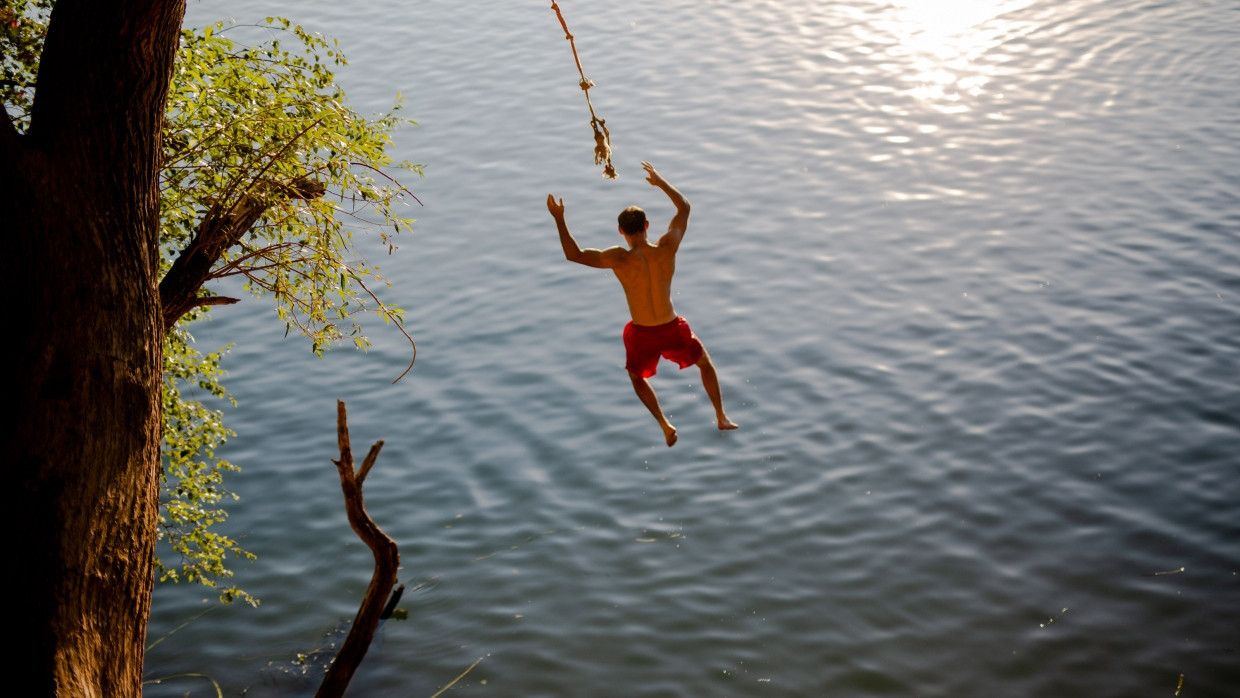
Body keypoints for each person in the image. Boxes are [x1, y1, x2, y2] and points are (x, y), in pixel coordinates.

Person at [547, 161, 738, 447]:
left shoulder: (618, 259)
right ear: (647, 226)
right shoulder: (667, 248)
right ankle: (721, 416)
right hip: (672, 327)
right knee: (704, 363)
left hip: (643, 333)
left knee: (637, 377)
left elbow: (573, 254)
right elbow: (684, 207)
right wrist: (659, 182)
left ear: (620, 231)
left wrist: (559, 218)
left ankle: (664, 424)